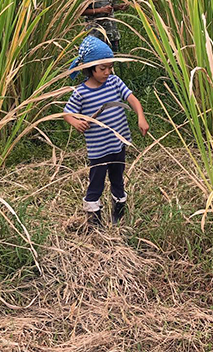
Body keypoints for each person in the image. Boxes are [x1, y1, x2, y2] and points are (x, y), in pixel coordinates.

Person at [64, 35, 149, 228]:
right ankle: (95, 221)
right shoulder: (81, 93)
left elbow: (132, 99)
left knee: (118, 179)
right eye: (103, 68)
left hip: (118, 144)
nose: (107, 72)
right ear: (90, 68)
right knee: (96, 183)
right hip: (98, 149)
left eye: (110, 67)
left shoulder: (114, 82)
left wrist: (140, 117)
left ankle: (118, 214)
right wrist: (76, 122)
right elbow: (67, 113)